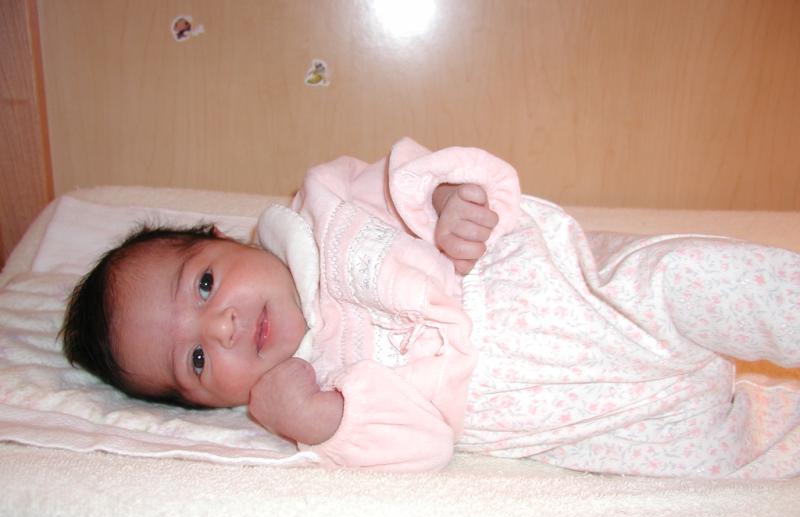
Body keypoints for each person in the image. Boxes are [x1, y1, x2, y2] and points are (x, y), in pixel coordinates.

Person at [62, 138, 800, 477]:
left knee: (689, 279)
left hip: (572, 294)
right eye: (196, 359)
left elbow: (408, 176)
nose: (221, 326)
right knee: (717, 457)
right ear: (208, 403)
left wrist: (447, 201)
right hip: (572, 415)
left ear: (222, 239)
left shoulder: (325, 205)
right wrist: (318, 421)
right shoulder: (318, 389)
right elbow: (423, 447)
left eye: (202, 285)